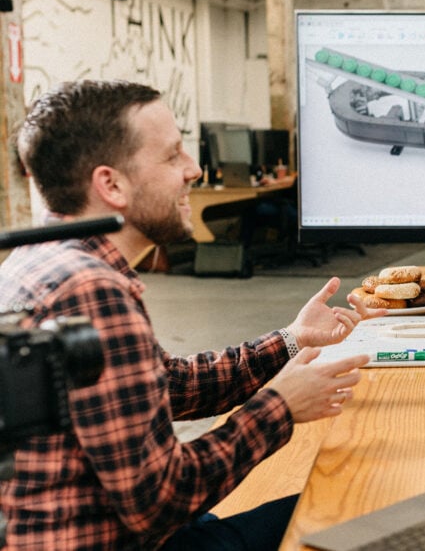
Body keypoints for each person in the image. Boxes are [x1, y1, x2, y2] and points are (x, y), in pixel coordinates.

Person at [0, 79, 379, 550]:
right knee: (358, 502)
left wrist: (292, 340)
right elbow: (158, 502)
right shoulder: (91, 289)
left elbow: (165, 385)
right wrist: (279, 408)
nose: (194, 170)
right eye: (172, 155)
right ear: (111, 184)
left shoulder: (38, 260)